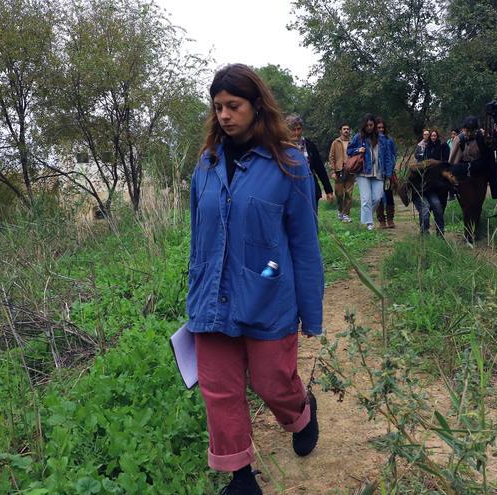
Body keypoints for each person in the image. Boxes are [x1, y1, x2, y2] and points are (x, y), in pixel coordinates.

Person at [187, 64, 324, 495]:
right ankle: (240, 477)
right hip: (211, 301)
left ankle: (300, 413)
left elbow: (303, 246)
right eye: (218, 107)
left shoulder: (290, 166)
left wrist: (310, 312)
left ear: (256, 106)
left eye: (234, 105)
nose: (225, 115)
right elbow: (198, 237)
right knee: (220, 392)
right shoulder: (205, 166)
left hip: (268, 295)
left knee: (272, 382)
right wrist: (195, 289)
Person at [448, 116, 496, 244]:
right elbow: (452, 161)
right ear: (464, 129)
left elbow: (491, 150)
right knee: (468, 205)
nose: (469, 133)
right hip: (464, 175)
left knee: (478, 204)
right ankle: (468, 233)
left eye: (472, 130)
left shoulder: (481, 137)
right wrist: (452, 178)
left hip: (480, 175)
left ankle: (476, 230)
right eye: (467, 130)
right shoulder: (459, 140)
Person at [347, 114, 394, 231]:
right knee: (366, 199)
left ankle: (365, 218)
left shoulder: (382, 139)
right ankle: (369, 223)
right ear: (364, 125)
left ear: (374, 125)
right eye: (367, 125)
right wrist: (358, 149)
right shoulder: (358, 137)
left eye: (371, 125)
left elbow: (388, 157)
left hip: (379, 173)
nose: (369, 127)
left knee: (378, 197)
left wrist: (388, 175)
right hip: (363, 172)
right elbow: (349, 150)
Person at [287, 115, 333, 213]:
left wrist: (328, 189)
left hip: (310, 186)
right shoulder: (282, 147)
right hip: (291, 188)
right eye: (293, 130)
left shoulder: (310, 145)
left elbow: (320, 168)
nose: (296, 133)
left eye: (298, 129)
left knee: (312, 217)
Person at [409, 128, 450, 235]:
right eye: (430, 135)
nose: (432, 137)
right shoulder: (420, 166)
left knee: (437, 206)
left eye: (434, 135)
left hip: (432, 187)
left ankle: (440, 233)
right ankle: (424, 233)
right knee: (425, 208)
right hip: (421, 190)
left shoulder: (442, 147)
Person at [375, 117, 398, 229]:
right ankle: (381, 220)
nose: (381, 129)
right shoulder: (373, 140)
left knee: (389, 195)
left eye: (382, 127)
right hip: (376, 172)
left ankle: (390, 219)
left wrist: (392, 167)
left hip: (388, 172)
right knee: (378, 196)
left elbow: (394, 154)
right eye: (378, 127)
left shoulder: (389, 139)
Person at [328, 123, 354, 222]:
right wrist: (333, 171)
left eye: (348, 129)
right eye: (344, 129)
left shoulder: (353, 142)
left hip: (350, 170)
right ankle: (340, 211)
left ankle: (346, 214)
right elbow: (331, 157)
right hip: (339, 170)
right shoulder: (336, 142)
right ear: (340, 131)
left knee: (349, 193)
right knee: (339, 193)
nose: (346, 130)